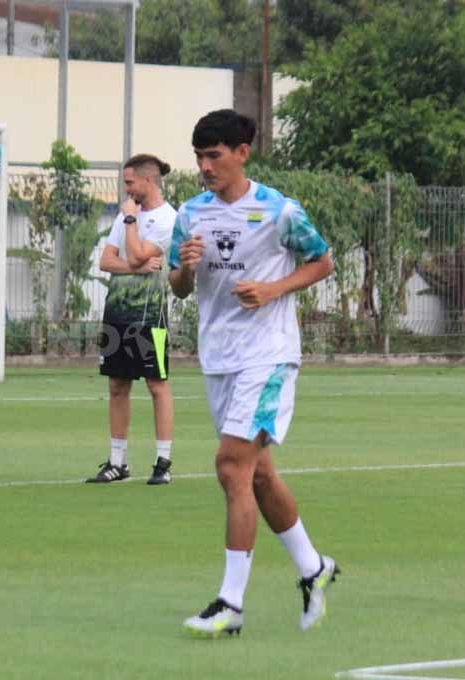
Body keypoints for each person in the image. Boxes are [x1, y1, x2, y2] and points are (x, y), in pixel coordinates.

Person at [168, 109, 339, 637]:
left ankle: (231, 603)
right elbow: (176, 286)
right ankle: (314, 569)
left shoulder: (279, 210)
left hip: (268, 355)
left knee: (230, 467)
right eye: (199, 156)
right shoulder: (190, 214)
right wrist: (186, 268)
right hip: (217, 356)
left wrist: (272, 290)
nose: (204, 166)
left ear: (243, 153)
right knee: (258, 474)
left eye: (214, 155)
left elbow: (322, 262)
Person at [87, 154, 178, 486]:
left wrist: (130, 224)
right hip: (117, 312)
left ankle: (163, 461)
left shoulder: (169, 219)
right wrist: (138, 267)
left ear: (148, 181)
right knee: (116, 384)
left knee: (156, 384)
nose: (125, 189)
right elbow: (107, 262)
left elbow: (139, 252)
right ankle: (117, 462)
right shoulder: (125, 213)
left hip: (150, 314)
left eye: (129, 183)